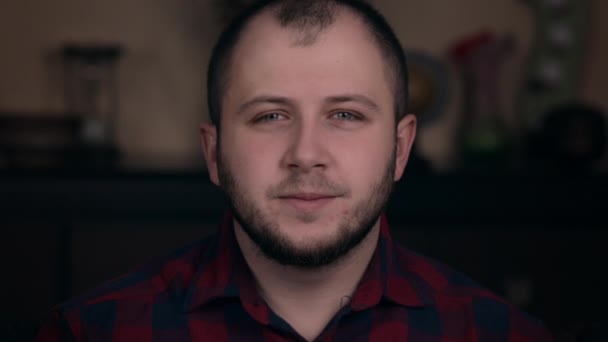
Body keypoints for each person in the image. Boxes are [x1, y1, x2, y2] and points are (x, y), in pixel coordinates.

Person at [37, 0, 554, 341]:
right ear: (213, 153)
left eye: (345, 115)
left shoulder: (502, 334)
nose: (306, 153)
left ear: (400, 149)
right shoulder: (91, 333)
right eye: (270, 116)